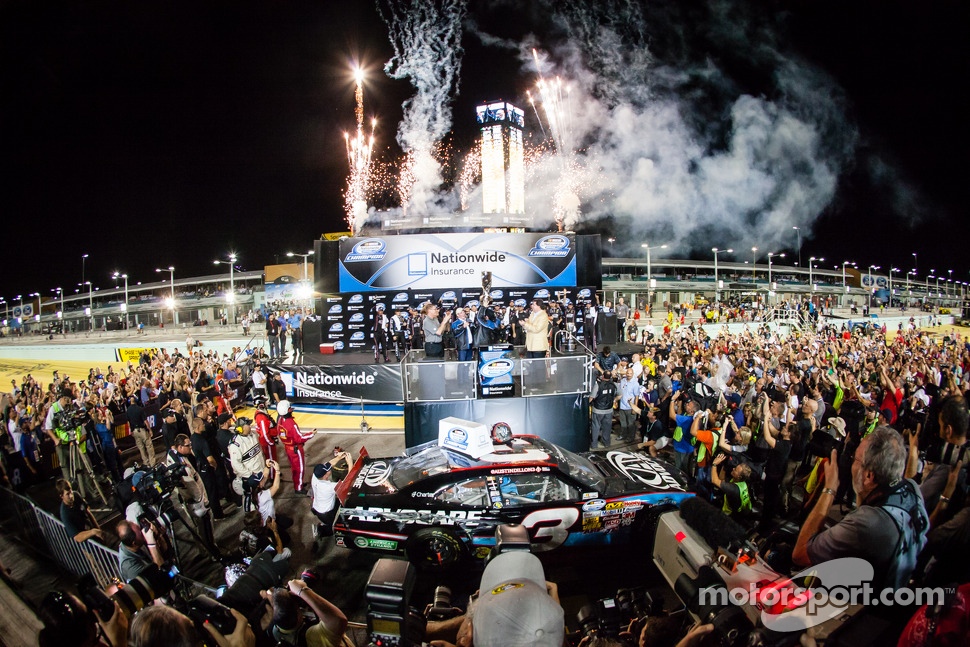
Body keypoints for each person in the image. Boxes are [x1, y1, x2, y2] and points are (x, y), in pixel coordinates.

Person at [793, 426, 930, 589]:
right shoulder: (912, 489)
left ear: (869, 475)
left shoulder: (868, 523)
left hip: (858, 605)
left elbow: (800, 554)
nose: (852, 464)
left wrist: (829, 489)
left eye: (855, 459)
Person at [165, 433, 217, 552]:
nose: (191, 447)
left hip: (192, 497)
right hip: (195, 500)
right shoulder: (179, 465)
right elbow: (191, 486)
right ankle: (210, 550)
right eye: (188, 445)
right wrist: (202, 501)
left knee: (201, 526)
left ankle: (206, 548)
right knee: (204, 526)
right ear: (180, 447)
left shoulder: (176, 455)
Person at [283, 578, 352, 647]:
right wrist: (302, 590)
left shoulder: (277, 632)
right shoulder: (312, 635)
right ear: (299, 614)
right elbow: (338, 620)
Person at [228, 417, 268, 512]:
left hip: (260, 472)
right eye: (248, 424)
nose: (250, 426)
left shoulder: (253, 435)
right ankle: (249, 516)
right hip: (250, 477)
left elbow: (259, 451)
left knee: (260, 495)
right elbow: (236, 465)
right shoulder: (235, 444)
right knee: (249, 497)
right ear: (241, 428)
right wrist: (250, 475)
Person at [277, 400, 314, 493]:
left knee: (294, 468)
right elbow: (299, 438)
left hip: (288, 447)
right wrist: (311, 434)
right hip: (295, 449)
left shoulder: (280, 420)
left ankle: (298, 483)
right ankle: (298, 488)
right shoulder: (291, 424)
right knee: (300, 469)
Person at [57, 478, 105, 543]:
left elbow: (88, 512)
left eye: (71, 492)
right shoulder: (65, 513)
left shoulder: (76, 495)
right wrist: (93, 532)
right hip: (86, 542)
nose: (71, 496)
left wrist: (98, 529)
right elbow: (77, 537)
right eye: (67, 494)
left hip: (92, 531)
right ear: (61, 496)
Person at [310, 462, 338, 548]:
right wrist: (349, 463)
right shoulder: (329, 487)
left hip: (318, 507)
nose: (330, 469)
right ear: (326, 475)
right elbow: (347, 483)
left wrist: (339, 457)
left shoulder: (315, 477)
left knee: (341, 502)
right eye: (328, 470)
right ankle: (319, 530)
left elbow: (329, 463)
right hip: (326, 514)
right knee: (336, 528)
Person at [589, 372, 618, 449]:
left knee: (595, 427)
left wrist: (587, 404)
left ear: (602, 376)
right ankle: (606, 443)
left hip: (598, 409)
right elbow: (620, 394)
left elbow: (592, 397)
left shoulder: (598, 385)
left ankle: (594, 444)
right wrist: (614, 400)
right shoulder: (614, 385)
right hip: (609, 409)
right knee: (607, 427)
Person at [125, 394, 155, 467]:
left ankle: (146, 463)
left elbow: (128, 422)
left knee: (141, 448)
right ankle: (152, 463)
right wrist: (150, 430)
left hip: (135, 431)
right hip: (142, 430)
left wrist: (131, 430)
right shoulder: (139, 409)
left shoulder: (128, 411)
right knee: (149, 446)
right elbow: (145, 421)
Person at [253, 397, 279, 463]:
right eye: (265, 402)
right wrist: (270, 442)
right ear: (261, 405)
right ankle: (272, 473)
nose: (267, 403)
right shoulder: (261, 417)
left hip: (269, 440)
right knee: (271, 460)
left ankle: (274, 472)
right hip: (268, 442)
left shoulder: (262, 413)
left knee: (273, 458)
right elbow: (264, 434)